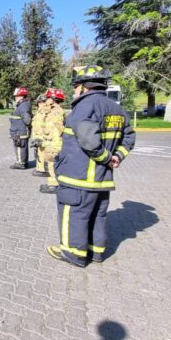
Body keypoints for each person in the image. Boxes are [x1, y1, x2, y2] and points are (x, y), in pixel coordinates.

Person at [47, 65, 136, 268]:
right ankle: (96, 252)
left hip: (78, 178)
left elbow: (89, 141)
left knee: (74, 214)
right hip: (102, 180)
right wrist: (117, 157)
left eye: (76, 86)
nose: (74, 91)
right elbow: (129, 137)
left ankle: (73, 254)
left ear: (84, 87)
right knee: (97, 215)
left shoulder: (85, 106)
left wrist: (105, 158)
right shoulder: (116, 108)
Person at [39, 88, 66, 194]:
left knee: (52, 163)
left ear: (53, 99)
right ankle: (52, 183)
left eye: (48, 98)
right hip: (52, 140)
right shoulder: (53, 109)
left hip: (55, 141)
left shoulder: (56, 111)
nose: (46, 100)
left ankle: (54, 185)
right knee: (50, 163)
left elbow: (60, 128)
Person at [9, 87, 32, 169]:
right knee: (22, 147)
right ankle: (24, 162)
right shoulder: (22, 105)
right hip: (18, 130)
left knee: (20, 147)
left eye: (17, 96)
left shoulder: (23, 106)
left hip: (20, 132)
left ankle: (21, 163)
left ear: (22, 96)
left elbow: (27, 120)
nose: (15, 98)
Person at [30, 95, 49, 177]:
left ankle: (43, 170)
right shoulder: (39, 111)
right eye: (40, 102)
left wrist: (40, 137)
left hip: (42, 136)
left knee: (43, 153)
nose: (40, 104)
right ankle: (40, 168)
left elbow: (44, 125)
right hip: (38, 135)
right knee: (39, 153)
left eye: (42, 102)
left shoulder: (45, 111)